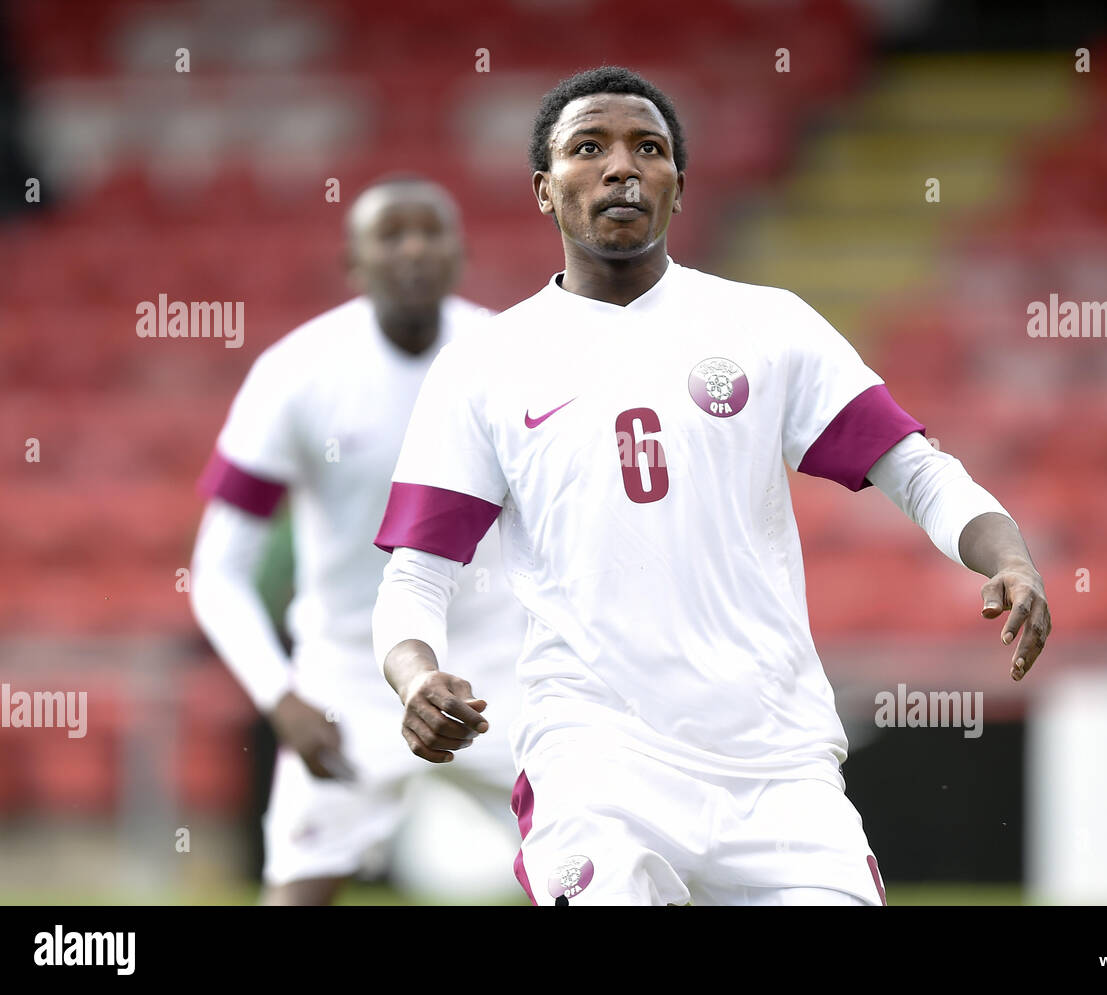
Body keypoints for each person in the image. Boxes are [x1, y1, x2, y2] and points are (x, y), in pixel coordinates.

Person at [371, 67, 1052, 906]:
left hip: (778, 766)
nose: (622, 167)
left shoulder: (769, 326)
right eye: (589, 148)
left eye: (647, 149)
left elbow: (914, 469)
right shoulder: (484, 365)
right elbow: (415, 574)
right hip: (595, 763)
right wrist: (414, 675)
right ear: (545, 190)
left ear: (679, 187)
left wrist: (1007, 554)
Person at [190, 177, 525, 905]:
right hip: (348, 678)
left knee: (608, 873)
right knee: (297, 891)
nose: (412, 249)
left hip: (508, 672)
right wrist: (282, 699)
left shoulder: (515, 359)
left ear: (460, 253)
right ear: (353, 261)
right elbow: (217, 570)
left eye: (429, 232)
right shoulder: (294, 373)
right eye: (390, 234)